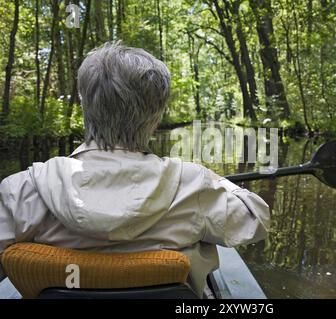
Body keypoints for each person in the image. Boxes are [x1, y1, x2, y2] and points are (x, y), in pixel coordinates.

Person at [0, 42, 270, 297]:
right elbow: (255, 221)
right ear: (156, 118)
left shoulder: (21, 190)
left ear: (85, 106)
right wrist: (213, 178)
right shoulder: (193, 185)